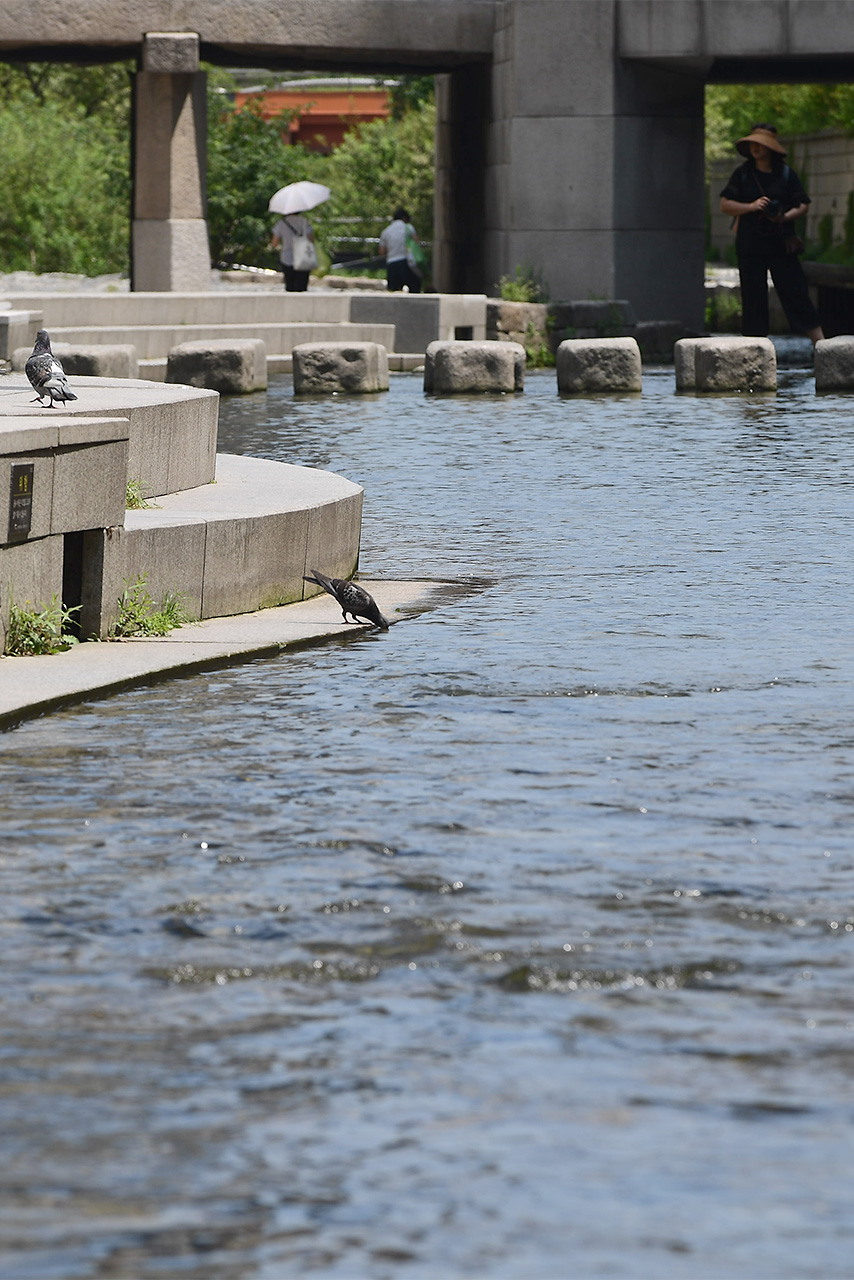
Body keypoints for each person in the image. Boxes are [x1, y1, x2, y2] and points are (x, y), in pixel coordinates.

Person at [720, 123, 824, 344]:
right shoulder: (743, 174)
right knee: (753, 297)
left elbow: (803, 204)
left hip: (781, 243)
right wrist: (751, 206)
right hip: (750, 245)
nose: (756, 148)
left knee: (796, 292)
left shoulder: (786, 174)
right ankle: (755, 348)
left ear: (771, 148)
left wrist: (783, 216)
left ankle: (822, 346)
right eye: (753, 144)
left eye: (760, 144)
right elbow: (725, 204)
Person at [378, 206, 421, 293]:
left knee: (393, 291)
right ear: (404, 218)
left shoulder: (386, 231)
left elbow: (382, 251)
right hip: (407, 262)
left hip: (392, 264)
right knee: (415, 286)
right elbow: (416, 243)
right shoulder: (408, 227)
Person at [270, 213, 315, 292]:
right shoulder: (304, 221)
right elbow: (311, 239)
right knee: (302, 287)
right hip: (303, 258)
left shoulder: (281, 223)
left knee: (290, 287)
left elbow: (274, 243)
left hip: (287, 258)